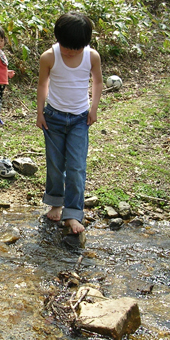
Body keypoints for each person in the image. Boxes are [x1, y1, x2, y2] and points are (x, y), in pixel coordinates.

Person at [36, 12, 103, 234]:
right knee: (55, 163)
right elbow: (42, 86)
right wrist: (40, 113)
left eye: (76, 48)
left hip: (79, 119)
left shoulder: (92, 56)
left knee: (76, 167)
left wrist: (93, 109)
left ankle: (73, 213)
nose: (71, 52)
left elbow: (98, 82)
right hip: (53, 118)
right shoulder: (49, 57)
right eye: (67, 47)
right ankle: (56, 203)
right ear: (58, 39)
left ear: (86, 43)